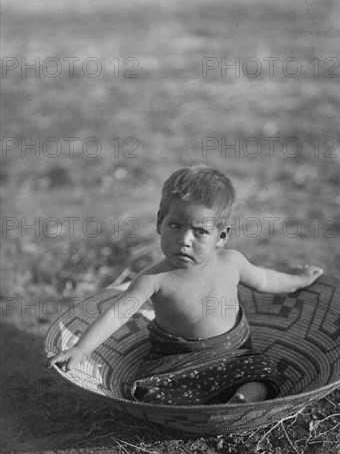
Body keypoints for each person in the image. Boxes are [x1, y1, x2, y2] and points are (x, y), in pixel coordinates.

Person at [48, 166, 323, 404]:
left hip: (234, 358)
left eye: (200, 232)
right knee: (148, 389)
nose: (185, 240)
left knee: (261, 368)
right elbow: (116, 314)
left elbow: (266, 280)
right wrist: (81, 349)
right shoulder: (153, 279)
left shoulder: (232, 263)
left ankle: (240, 400)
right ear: (159, 223)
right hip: (177, 365)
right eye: (176, 226)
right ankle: (206, 402)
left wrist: (299, 280)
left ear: (221, 236)